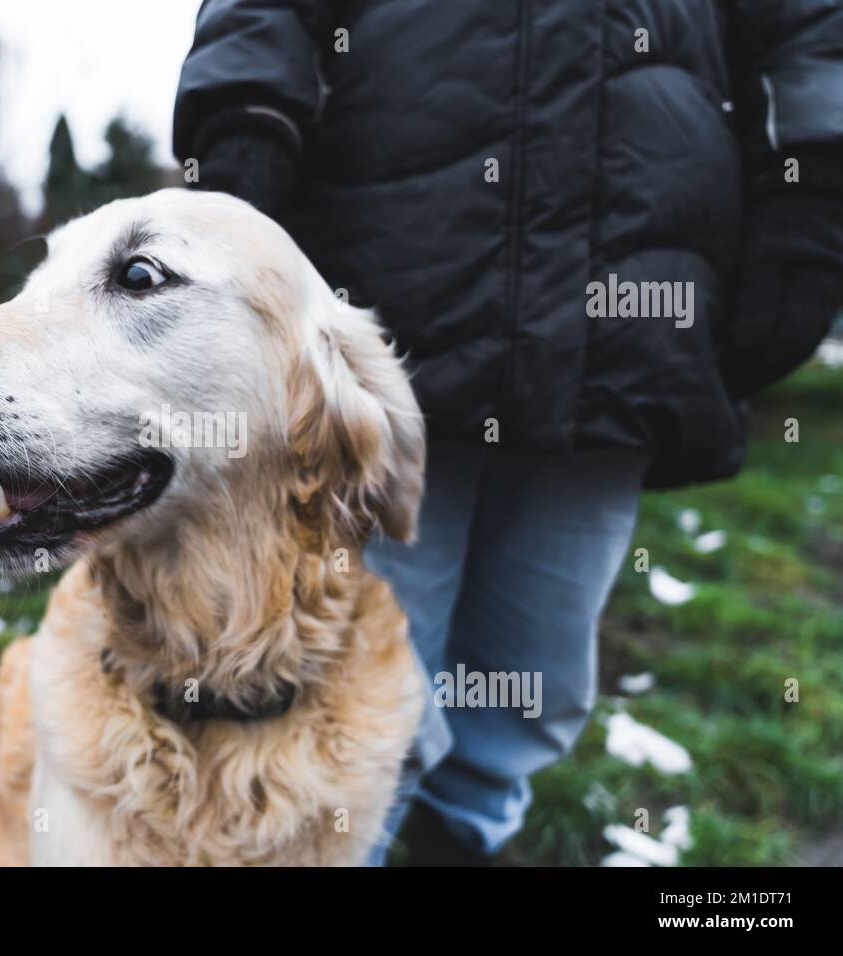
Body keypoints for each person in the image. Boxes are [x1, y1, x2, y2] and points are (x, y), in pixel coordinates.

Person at [173, 0, 843, 864]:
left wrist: (815, 186)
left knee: (535, 666)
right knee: (350, 671)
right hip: (386, 296)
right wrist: (244, 131)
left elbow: (809, 25)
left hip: (626, 313)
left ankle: (467, 838)